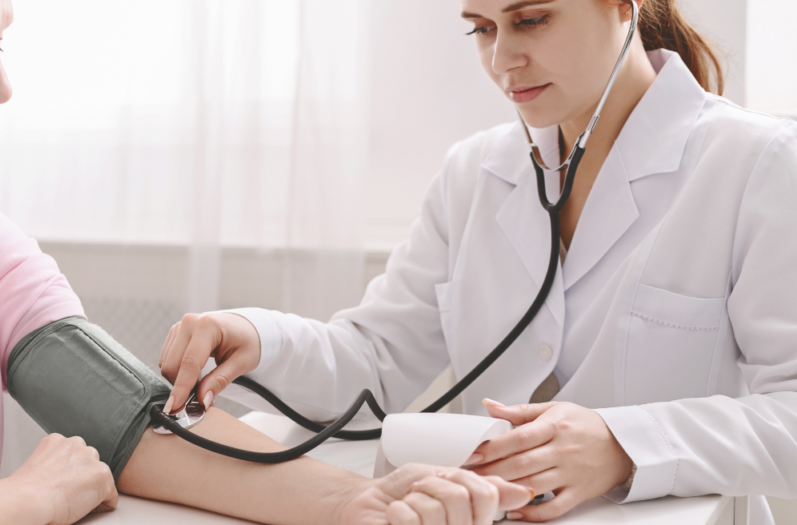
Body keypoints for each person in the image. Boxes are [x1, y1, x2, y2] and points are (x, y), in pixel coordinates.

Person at [0, 0, 539, 524]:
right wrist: (24, 500)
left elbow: (124, 418)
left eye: (0, 44)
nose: (2, 86)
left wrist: (350, 501)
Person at [160, 0, 797, 523]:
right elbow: (376, 363)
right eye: (482, 28)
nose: (502, 60)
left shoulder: (757, 163)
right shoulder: (474, 173)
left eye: (532, 20)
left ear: (625, 7)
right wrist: (258, 338)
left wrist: (625, 446)